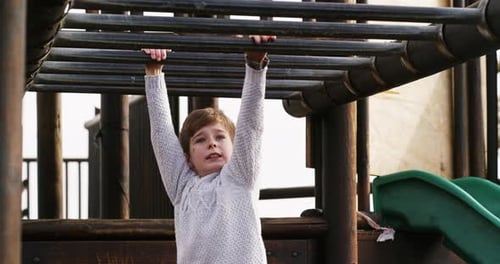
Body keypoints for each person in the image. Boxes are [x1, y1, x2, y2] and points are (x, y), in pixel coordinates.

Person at [143, 35, 276, 264]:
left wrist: (254, 68)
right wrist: (154, 73)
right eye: (200, 140)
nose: (212, 143)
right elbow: (162, 134)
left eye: (219, 137)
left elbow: (251, 128)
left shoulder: (240, 178)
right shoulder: (182, 187)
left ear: (235, 149)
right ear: (188, 158)